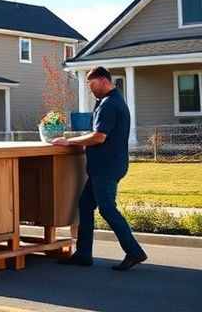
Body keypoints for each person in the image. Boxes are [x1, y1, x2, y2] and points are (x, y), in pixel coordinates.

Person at [51, 66, 147, 271]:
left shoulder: (110, 104)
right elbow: (98, 132)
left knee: (106, 208)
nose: (90, 90)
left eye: (92, 85)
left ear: (104, 81)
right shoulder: (109, 102)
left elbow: (99, 136)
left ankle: (134, 251)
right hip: (105, 166)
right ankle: (84, 254)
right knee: (85, 206)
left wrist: (68, 141)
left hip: (106, 167)